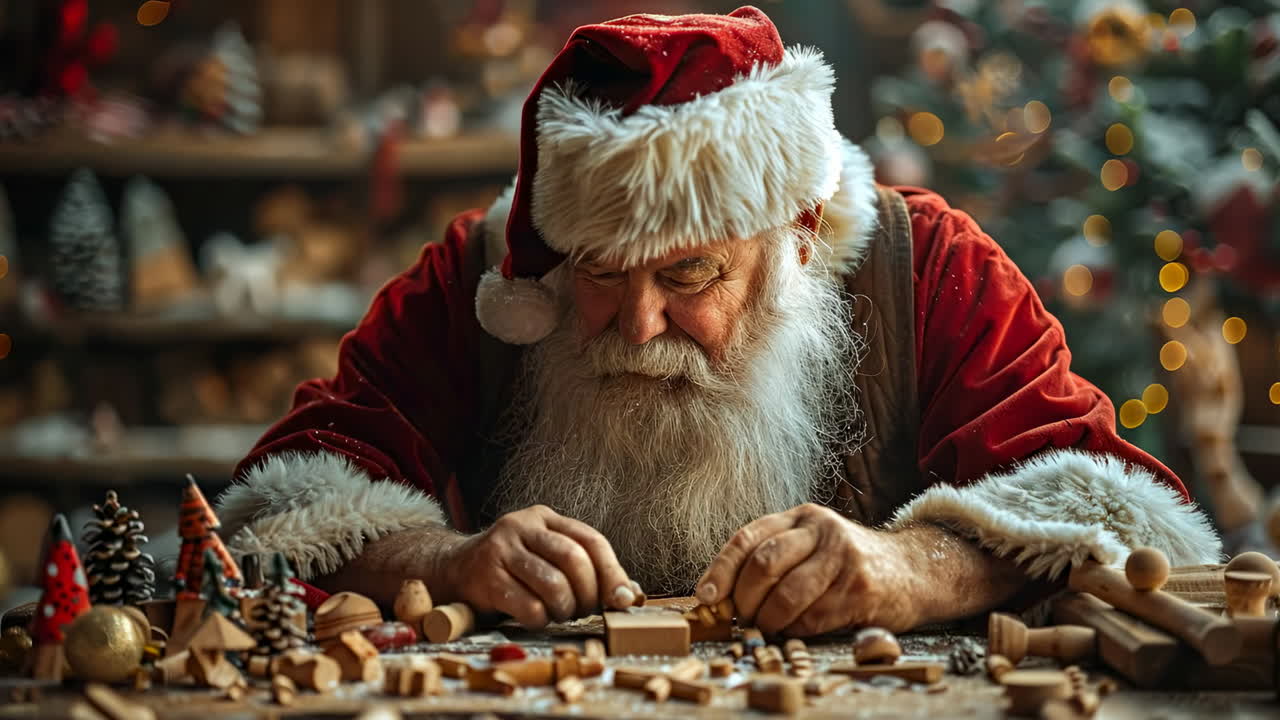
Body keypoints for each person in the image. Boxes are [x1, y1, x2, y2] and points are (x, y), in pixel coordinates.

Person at [218, 7, 1219, 636]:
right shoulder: (481, 278)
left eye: (690, 274)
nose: (640, 325)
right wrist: (440, 560)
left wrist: (916, 570)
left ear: (790, 241)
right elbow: (275, 512)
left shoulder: (929, 270)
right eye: (602, 273)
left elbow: (1127, 516)